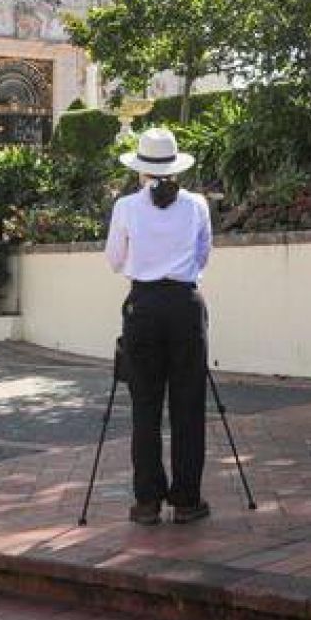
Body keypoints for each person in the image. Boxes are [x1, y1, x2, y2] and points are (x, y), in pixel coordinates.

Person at [104, 126, 213, 525]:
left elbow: (115, 260)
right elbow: (203, 257)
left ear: (141, 170)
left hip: (144, 307)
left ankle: (147, 501)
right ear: (174, 167)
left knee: (145, 406)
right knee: (188, 405)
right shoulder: (196, 204)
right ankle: (187, 500)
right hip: (185, 305)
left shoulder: (127, 207)